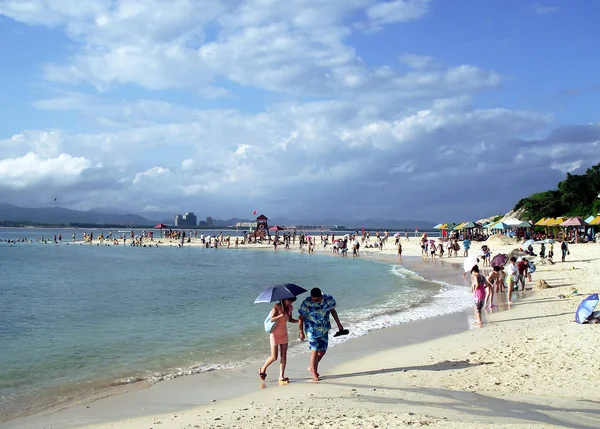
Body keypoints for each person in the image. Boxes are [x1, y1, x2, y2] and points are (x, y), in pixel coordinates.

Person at [298, 288, 344, 382]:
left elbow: (333, 311)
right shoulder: (307, 302)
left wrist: (338, 323)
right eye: (313, 299)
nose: (314, 301)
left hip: (324, 328)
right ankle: (314, 373)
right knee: (314, 351)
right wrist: (301, 331)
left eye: (316, 299)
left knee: (322, 352)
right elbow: (301, 317)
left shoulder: (328, 299)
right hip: (311, 330)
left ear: (321, 296)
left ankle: (312, 367)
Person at [259, 298, 298, 383]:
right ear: (284, 299)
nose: (290, 303)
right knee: (274, 357)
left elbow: (290, 319)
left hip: (284, 333)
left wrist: (299, 321)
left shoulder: (290, 307)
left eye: (292, 301)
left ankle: (281, 376)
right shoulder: (276, 307)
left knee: (284, 355)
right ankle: (263, 368)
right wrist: (280, 315)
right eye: (289, 301)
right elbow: (272, 319)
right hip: (275, 334)